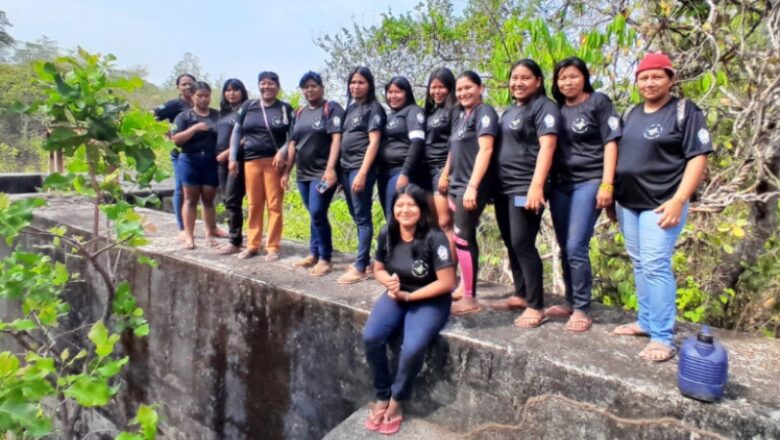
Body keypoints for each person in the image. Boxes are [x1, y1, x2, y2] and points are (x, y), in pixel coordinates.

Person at [613, 52, 712, 361]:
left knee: (656, 264)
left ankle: (662, 337)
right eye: (644, 77)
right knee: (639, 262)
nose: (650, 82)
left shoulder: (684, 111)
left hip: (663, 203)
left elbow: (698, 156)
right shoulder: (631, 112)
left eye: (657, 76)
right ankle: (645, 321)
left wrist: (680, 199)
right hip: (628, 202)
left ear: (671, 79)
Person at [362, 184, 456, 435]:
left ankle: (396, 400)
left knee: (412, 348)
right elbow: (378, 268)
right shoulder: (387, 232)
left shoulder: (435, 237)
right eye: (399, 205)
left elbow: (447, 282)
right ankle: (381, 394)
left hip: (430, 299)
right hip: (397, 294)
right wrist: (388, 283)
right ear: (392, 209)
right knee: (371, 337)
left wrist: (411, 295)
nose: (405, 210)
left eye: (411, 204)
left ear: (422, 209)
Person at [545, 57, 622, 332]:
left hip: (589, 181)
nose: (567, 82)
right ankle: (569, 300)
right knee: (565, 245)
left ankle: (582, 308)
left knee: (577, 245)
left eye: (573, 76)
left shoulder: (598, 102)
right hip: (560, 185)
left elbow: (611, 142)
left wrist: (607, 184)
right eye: (562, 77)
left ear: (584, 77)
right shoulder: (555, 109)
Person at [493, 59, 559, 328]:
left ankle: (536, 304)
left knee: (522, 241)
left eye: (525, 78)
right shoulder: (510, 111)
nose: (517, 83)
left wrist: (536, 186)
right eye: (514, 78)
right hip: (503, 187)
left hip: (525, 187)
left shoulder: (545, 107)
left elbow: (548, 146)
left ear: (538, 81)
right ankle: (520, 293)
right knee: (510, 240)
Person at [447, 71, 499, 315]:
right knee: (460, 237)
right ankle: (463, 286)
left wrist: (473, 186)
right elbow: (453, 148)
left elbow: (486, 150)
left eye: (468, 87)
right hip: (456, 184)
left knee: (463, 237)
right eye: (459, 89)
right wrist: (446, 175)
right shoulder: (460, 115)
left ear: (480, 88)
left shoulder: (484, 112)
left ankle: (470, 297)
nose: (463, 93)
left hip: (472, 186)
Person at [282, 71, 344, 276]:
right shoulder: (299, 113)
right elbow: (293, 144)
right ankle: (314, 252)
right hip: (303, 174)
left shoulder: (331, 108)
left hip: (322, 174)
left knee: (318, 213)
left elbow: (337, 139)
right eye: (306, 87)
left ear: (322, 88)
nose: (309, 90)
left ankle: (326, 258)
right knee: (313, 214)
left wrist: (330, 169)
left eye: (313, 86)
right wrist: (286, 172)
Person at [229, 71, 293, 261]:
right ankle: (252, 244)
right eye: (263, 83)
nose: (266, 87)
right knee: (254, 204)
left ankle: (272, 246)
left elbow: (293, 136)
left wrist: (282, 151)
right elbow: (236, 131)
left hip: (274, 163)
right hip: (251, 161)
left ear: (278, 86)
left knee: (274, 205)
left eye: (271, 83)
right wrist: (233, 157)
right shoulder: (249, 106)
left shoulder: (284, 108)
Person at [337, 66, 385, 284]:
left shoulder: (373, 109)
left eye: (361, 82)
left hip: (360, 168)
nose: (355, 86)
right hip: (346, 169)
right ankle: (364, 260)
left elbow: (374, 141)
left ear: (369, 85)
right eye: (353, 82)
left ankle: (360, 267)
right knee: (356, 216)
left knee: (363, 217)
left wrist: (363, 172)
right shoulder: (350, 109)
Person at [170, 81, 221, 250]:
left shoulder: (217, 116)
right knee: (190, 198)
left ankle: (209, 233)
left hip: (211, 161)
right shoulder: (184, 117)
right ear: (192, 96)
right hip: (189, 160)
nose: (204, 99)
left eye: (207, 96)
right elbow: (176, 139)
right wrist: (195, 129)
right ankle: (189, 236)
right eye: (200, 95)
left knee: (208, 199)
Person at [377, 76, 426, 218]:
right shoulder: (389, 116)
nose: (393, 96)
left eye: (397, 92)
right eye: (390, 92)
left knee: (397, 215)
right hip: (384, 172)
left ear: (407, 93)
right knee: (389, 214)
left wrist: (405, 173)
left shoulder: (413, 111)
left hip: (402, 170)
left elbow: (417, 143)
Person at [154, 73, 195, 239]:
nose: (187, 87)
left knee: (194, 190)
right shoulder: (174, 104)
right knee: (180, 188)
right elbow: (153, 115)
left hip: (196, 152)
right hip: (179, 151)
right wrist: (166, 133)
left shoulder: (198, 101)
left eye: (190, 83)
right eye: (183, 84)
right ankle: (182, 227)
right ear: (178, 87)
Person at [423, 68, 458, 242]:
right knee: (432, 223)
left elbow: (455, 144)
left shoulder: (455, 111)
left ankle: (450, 268)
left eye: (441, 87)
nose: (436, 91)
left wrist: (445, 174)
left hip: (442, 169)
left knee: (445, 222)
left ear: (450, 88)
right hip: (426, 172)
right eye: (433, 87)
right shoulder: (429, 113)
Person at [215, 79, 249, 255]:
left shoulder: (246, 111)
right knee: (226, 200)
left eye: (236, 90)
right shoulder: (224, 113)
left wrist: (229, 154)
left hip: (236, 160)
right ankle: (232, 236)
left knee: (233, 199)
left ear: (242, 92)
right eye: (228, 90)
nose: (231, 93)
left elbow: (246, 137)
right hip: (220, 161)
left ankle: (235, 241)